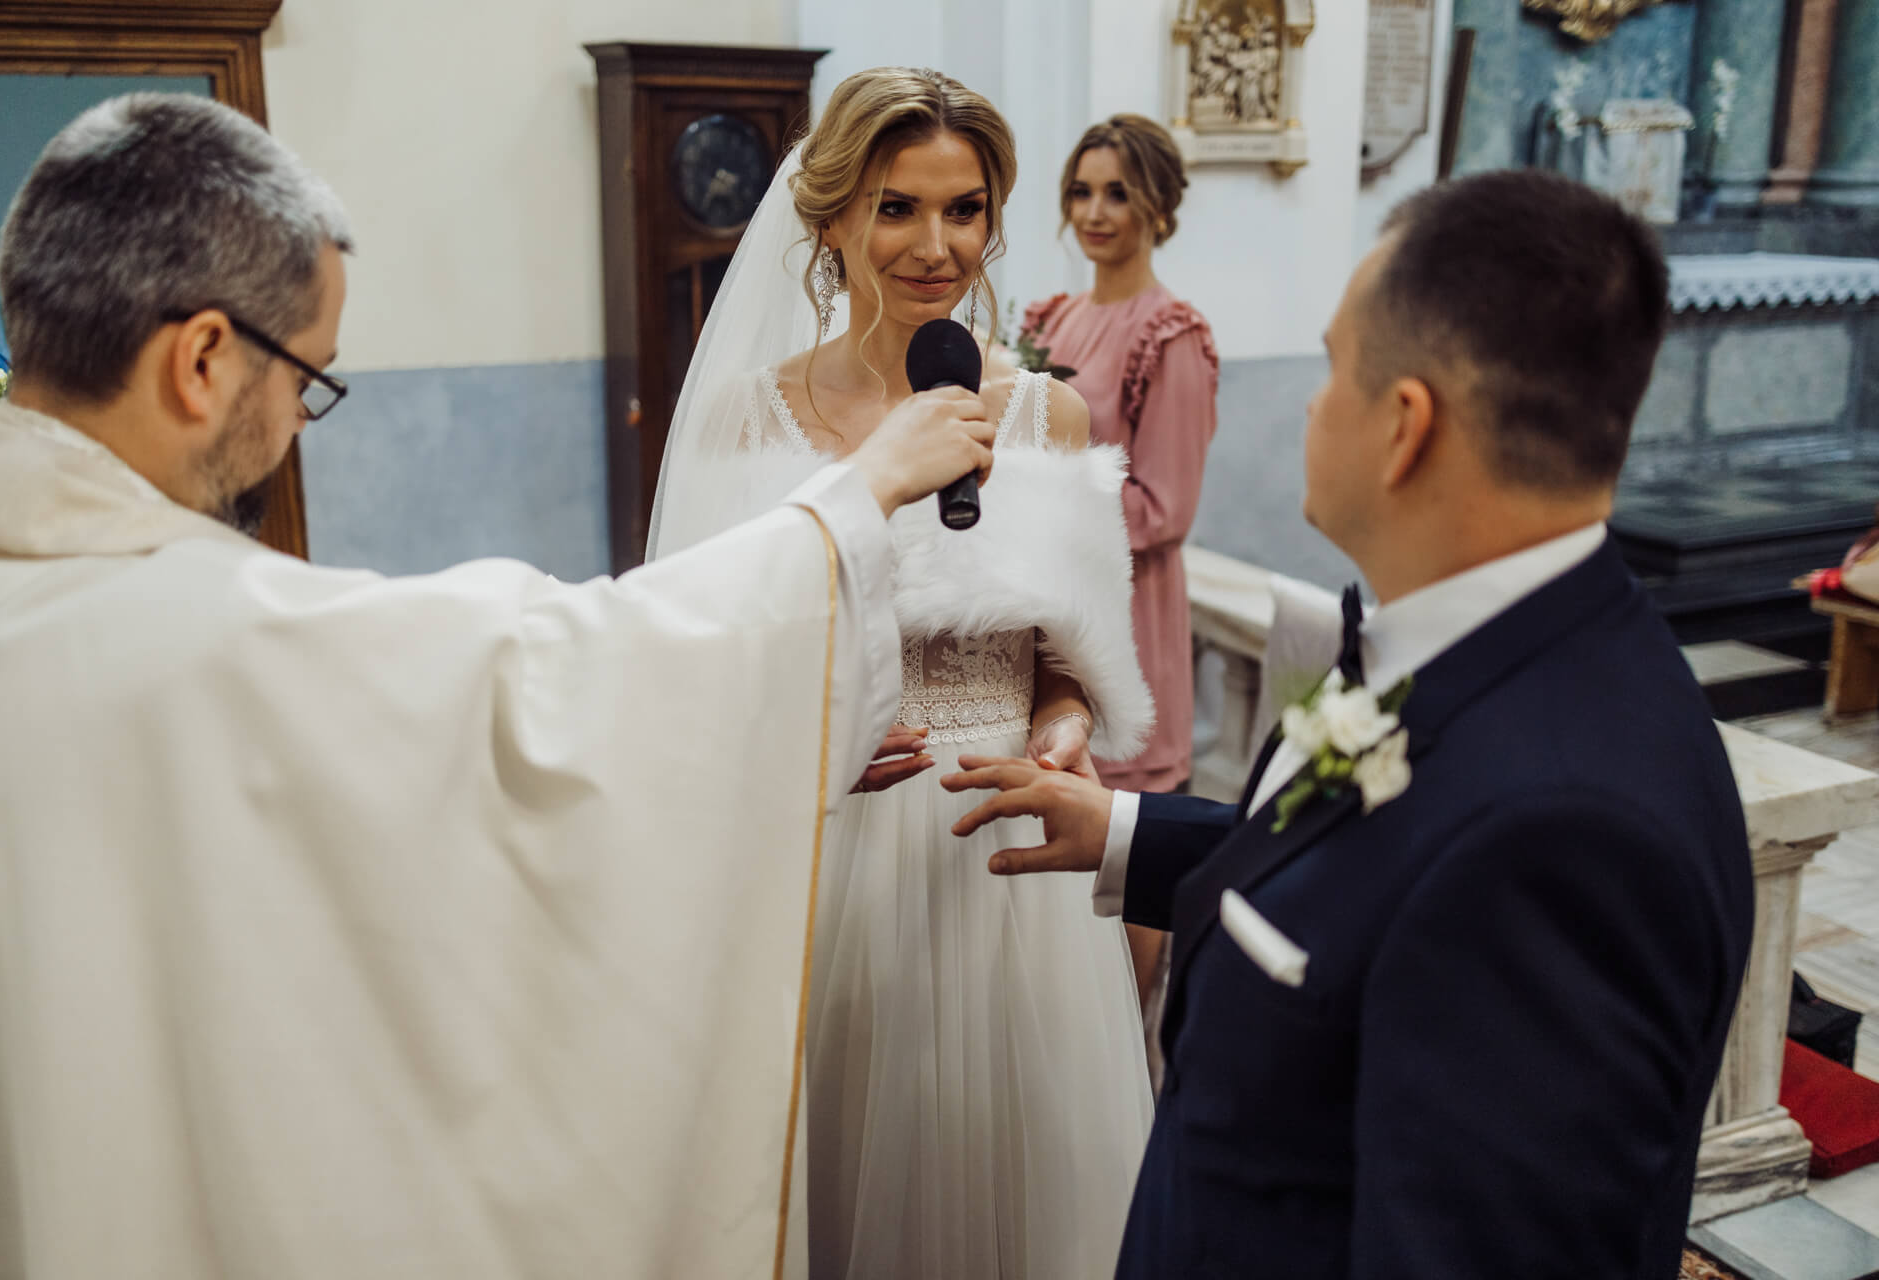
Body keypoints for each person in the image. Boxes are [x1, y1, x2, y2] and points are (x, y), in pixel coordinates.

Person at [0, 92, 998, 1278]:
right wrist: (852, 500)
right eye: (306, 380)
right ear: (201, 360)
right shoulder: (204, 638)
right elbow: (561, 678)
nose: (296, 423)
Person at [945, 169, 1755, 1279]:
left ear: (1405, 427)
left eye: (1332, 371)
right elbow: (1381, 888)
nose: (1311, 407)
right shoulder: (1489, 643)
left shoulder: (1568, 840)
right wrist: (1125, 830)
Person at [651, 67, 1156, 1280]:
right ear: (830, 219)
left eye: (965, 209)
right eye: (897, 208)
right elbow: (694, 657)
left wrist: (1064, 721)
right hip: (827, 855)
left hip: (1005, 849)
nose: (937, 246)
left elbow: (1067, 661)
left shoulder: (1047, 417)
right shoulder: (744, 421)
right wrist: (802, 733)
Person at [1021, 113, 1219, 1029]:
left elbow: (1164, 506)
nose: (1095, 212)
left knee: (1131, 839)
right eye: (1081, 191)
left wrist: (1042, 517)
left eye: (1117, 194)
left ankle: (1132, 1055)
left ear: (1159, 208)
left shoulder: (1170, 333)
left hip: (1129, 619)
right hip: (1055, 612)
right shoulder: (1052, 319)